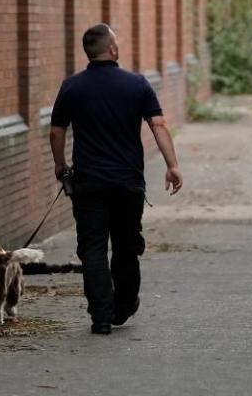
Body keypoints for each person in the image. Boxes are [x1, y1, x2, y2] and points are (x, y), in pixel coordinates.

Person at [49, 23, 183, 335]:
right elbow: (158, 125)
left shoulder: (72, 87)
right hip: (128, 183)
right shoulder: (137, 84)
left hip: (89, 183)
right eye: (116, 41)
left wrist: (61, 166)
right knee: (126, 245)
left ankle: (101, 316)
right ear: (111, 49)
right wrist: (172, 165)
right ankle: (123, 306)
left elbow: (56, 131)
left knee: (93, 248)